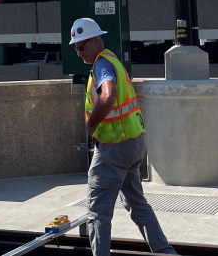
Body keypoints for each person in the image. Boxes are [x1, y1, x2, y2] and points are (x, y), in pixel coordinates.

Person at [70, 17, 176, 256]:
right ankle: (165, 252)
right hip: (133, 143)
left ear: (97, 41)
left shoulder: (102, 64)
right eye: (76, 48)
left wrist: (91, 126)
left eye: (82, 46)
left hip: (114, 146)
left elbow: (107, 96)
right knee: (137, 203)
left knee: (97, 211)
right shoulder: (113, 61)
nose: (79, 52)